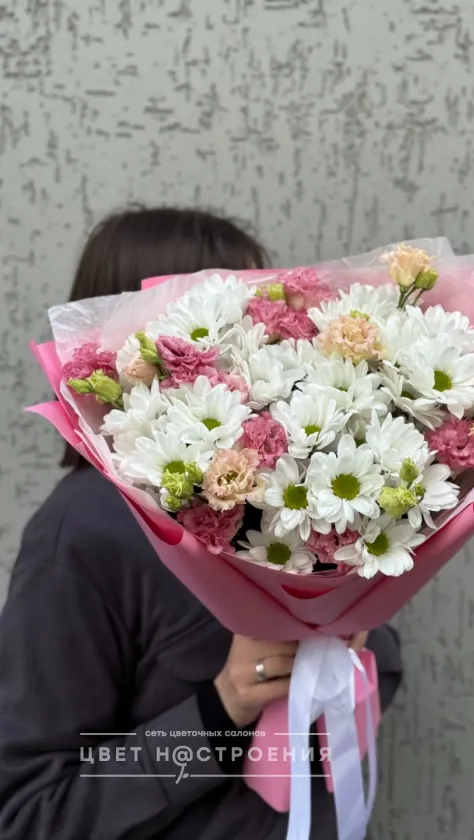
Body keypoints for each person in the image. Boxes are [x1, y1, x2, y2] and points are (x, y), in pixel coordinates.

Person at [0, 206, 402, 839]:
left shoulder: (299, 493)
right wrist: (220, 710)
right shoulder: (82, 533)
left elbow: (383, 671)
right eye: (242, 312)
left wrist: (344, 642)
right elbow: (30, 812)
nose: (270, 331)